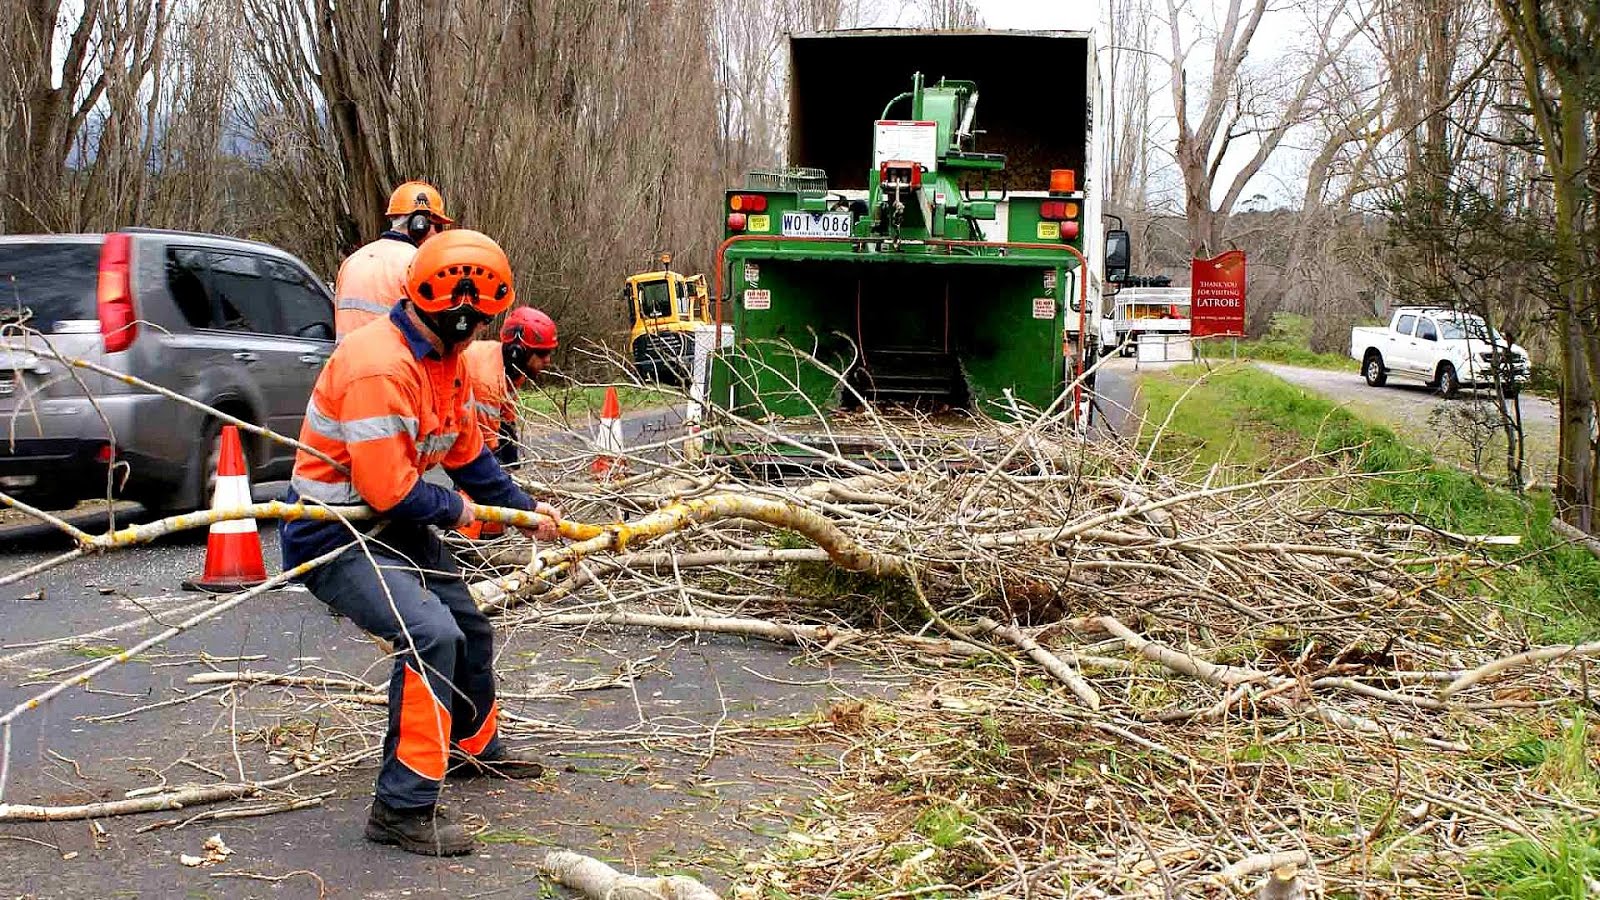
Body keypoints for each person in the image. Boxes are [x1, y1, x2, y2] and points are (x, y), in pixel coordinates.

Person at [281, 229, 563, 856]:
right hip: (336, 532)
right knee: (430, 635)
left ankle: (467, 746)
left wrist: (523, 510)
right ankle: (401, 808)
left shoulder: (447, 362)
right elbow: (391, 491)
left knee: (470, 627)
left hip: (392, 526)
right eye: (476, 319)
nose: (478, 328)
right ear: (452, 311)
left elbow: (469, 457)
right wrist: (466, 512)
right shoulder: (379, 364)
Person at [455, 307, 558, 540]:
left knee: (503, 463)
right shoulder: (487, 382)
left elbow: (506, 419)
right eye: (542, 354)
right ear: (517, 351)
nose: (548, 360)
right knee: (478, 472)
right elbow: (481, 453)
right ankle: (465, 541)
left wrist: (514, 464)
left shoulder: (513, 370)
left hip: (477, 421)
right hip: (449, 419)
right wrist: (512, 499)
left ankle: (490, 529)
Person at [333, 181, 454, 340]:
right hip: (389, 363)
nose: (439, 235)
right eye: (437, 227)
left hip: (345, 360)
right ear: (420, 224)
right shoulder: (417, 264)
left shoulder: (352, 260)